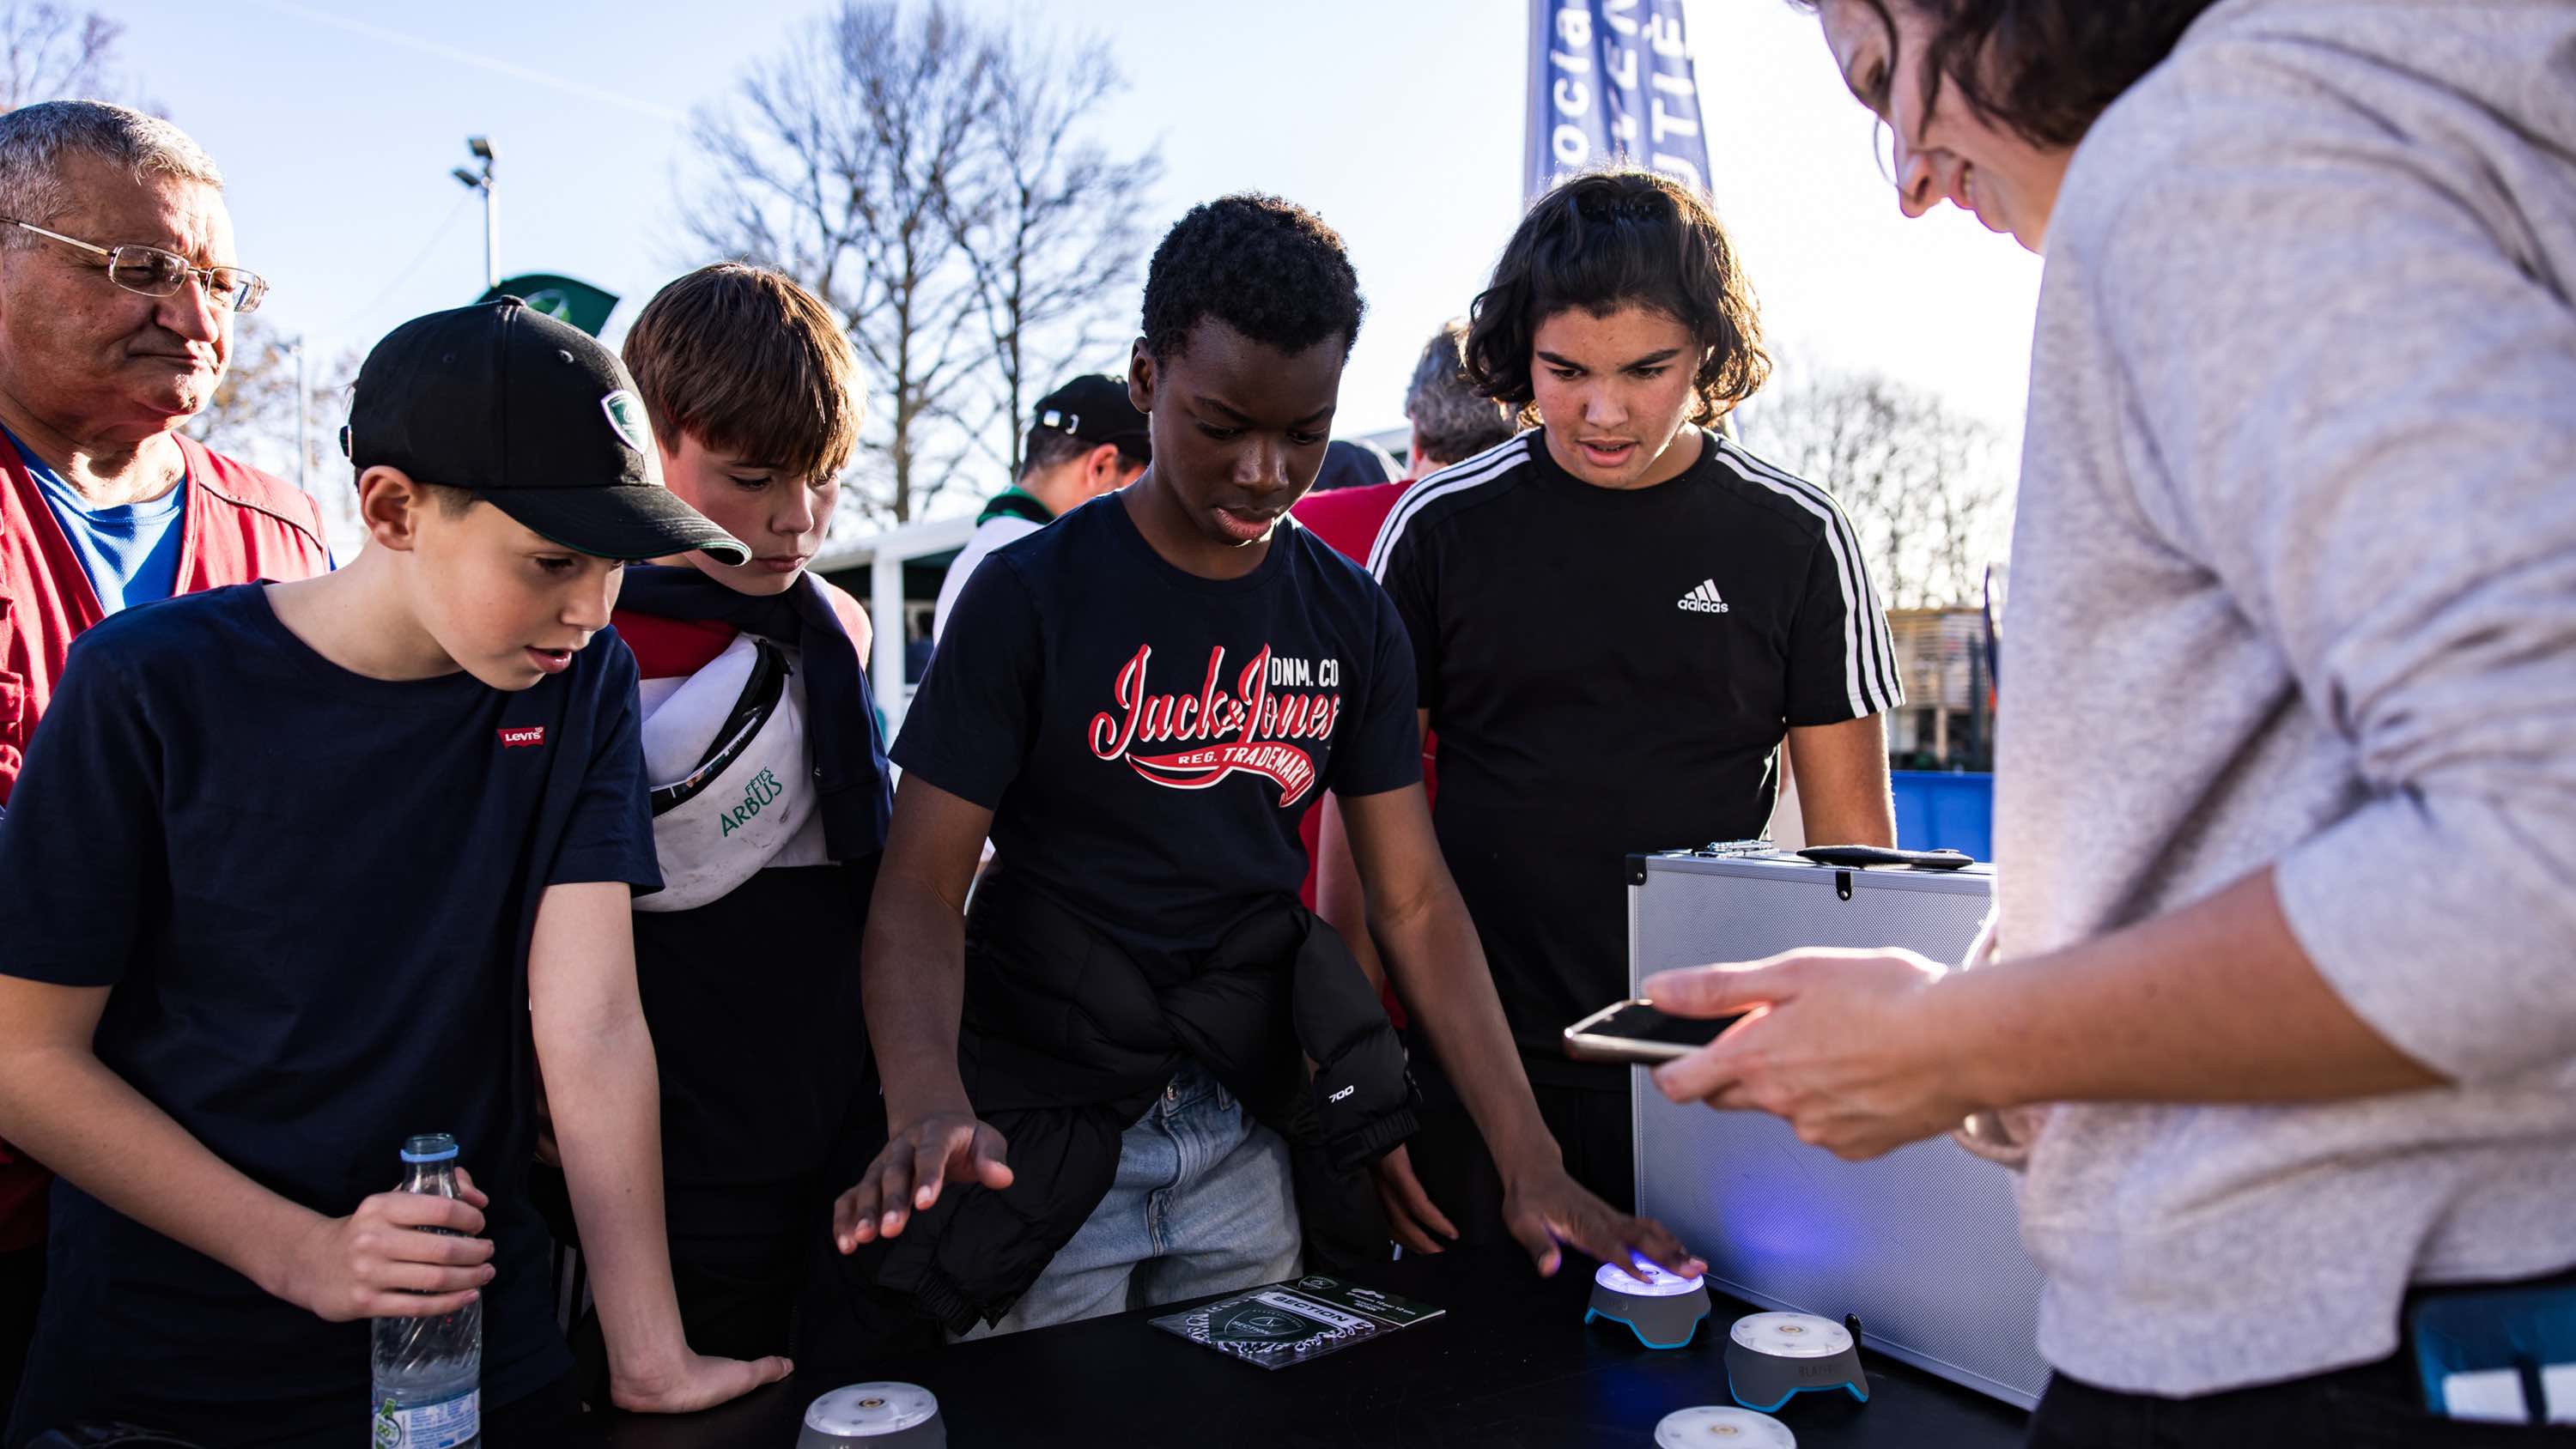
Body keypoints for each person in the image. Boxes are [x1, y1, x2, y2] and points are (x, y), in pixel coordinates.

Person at [1645, 3, 2576, 1444]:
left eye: (1890, 78)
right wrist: (1982, 1016)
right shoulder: (2406, 127)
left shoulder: (2213, 162)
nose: (1903, 170)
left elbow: (2537, 855)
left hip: (2312, 1347)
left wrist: (1965, 1040)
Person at [834, 193, 1700, 1339]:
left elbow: (1414, 901)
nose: (1263, 469)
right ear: (1147, 381)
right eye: (1223, 422)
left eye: (1303, 431)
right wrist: (926, 1103)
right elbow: (920, 888)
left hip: (1247, 1139)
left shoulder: (1350, 617)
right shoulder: (1028, 596)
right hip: (1036, 1133)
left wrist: (1526, 1155)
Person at [0, 298, 788, 1446]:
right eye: (553, 559)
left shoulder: (580, 686)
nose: (589, 609)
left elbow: (595, 1022)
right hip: (171, 1378)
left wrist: (649, 1355)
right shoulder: (146, 687)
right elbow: (25, 1057)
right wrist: (304, 1252)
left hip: (476, 1352)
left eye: (616, 565)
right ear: (393, 508)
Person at [1332, 167, 1902, 1255]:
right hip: (1475, 1082)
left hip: (1716, 1090)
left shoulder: (1797, 538)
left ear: (1709, 355)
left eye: (1648, 370)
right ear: (1516, 357)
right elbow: (1360, 860)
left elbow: (1855, 866)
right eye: (1566, 371)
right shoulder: (1437, 533)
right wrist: (1364, 1079)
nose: (1603, 409)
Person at [0, 100, 331, 1419]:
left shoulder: (287, 534)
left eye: (216, 281)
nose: (192, 316)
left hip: (259, 1196)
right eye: (138, 268)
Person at [526, 264, 891, 1391]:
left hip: (848, 1133)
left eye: (825, 481)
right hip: (663, 1150)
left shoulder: (839, 628)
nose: (798, 519)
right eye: (751, 477)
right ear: (650, 439)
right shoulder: (564, 627)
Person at [929, 374, 1148, 645]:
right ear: (1101, 465)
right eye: (1141, 483)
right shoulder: (1059, 571)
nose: (1144, 507)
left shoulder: (979, 557)